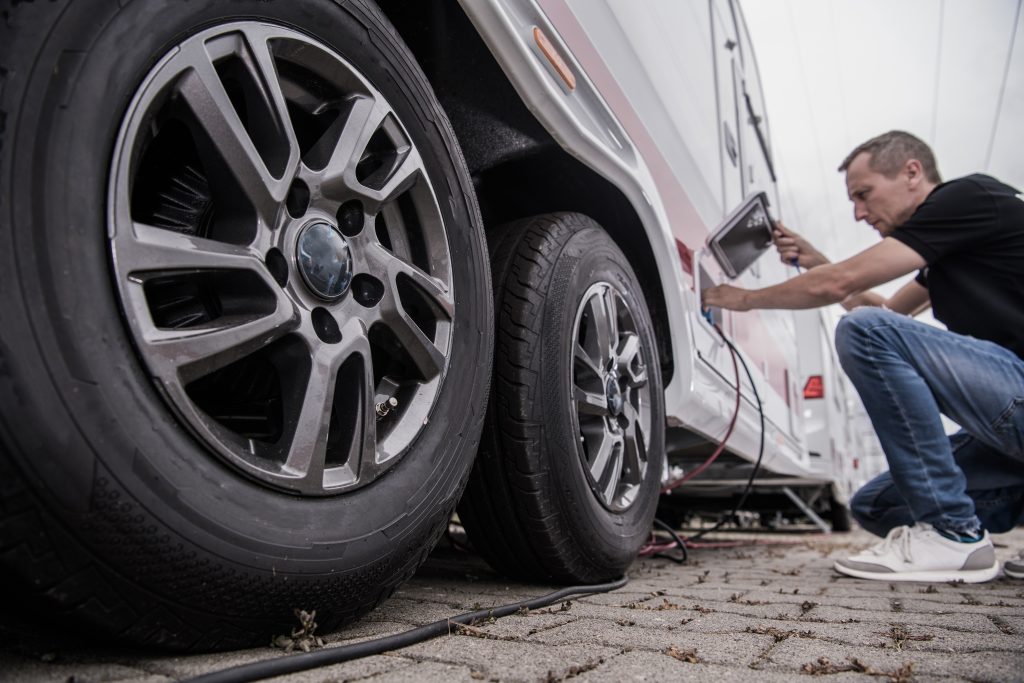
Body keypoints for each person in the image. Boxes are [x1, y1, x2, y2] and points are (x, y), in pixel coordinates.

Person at [703, 130, 1024, 583]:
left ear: (912, 172)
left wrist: (745, 298)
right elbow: (886, 312)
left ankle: (953, 535)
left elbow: (855, 305)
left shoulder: (968, 197)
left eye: (864, 194)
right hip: (1013, 405)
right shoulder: (948, 255)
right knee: (877, 505)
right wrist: (818, 262)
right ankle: (950, 529)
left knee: (864, 333)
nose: (858, 213)